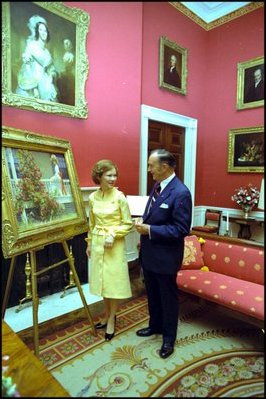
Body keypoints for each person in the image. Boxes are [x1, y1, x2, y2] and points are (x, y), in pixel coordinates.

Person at [135, 149, 192, 359]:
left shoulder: (181, 192)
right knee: (153, 294)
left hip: (166, 257)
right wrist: (143, 221)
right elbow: (153, 213)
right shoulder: (157, 186)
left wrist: (149, 230)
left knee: (168, 298)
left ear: (165, 167)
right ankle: (155, 326)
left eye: (151, 165)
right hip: (150, 254)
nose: (149, 169)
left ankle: (169, 338)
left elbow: (181, 229)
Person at [85, 160, 134, 341]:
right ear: (99, 176)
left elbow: (127, 223)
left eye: (115, 175)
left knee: (113, 283)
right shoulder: (92, 198)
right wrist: (89, 243)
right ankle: (106, 314)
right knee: (103, 283)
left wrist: (114, 234)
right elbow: (92, 223)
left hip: (114, 244)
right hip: (98, 242)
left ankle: (112, 318)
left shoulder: (120, 197)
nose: (113, 178)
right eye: (109, 175)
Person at [16, 15, 59, 102]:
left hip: (45, 83)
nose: (43, 33)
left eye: (45, 31)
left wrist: (51, 76)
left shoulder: (47, 52)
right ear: (37, 32)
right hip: (32, 83)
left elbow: (52, 69)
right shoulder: (32, 46)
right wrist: (34, 88)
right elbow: (27, 69)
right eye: (40, 30)